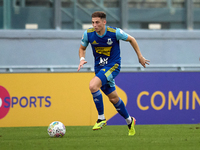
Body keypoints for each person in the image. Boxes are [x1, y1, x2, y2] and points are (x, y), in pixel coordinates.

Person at [77, 11, 150, 136]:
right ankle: (129, 120)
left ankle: (101, 118)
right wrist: (82, 59)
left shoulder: (114, 32)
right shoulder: (88, 34)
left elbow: (131, 39)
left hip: (113, 66)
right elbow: (82, 48)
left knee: (93, 86)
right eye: (93, 22)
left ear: (104, 22)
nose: (95, 25)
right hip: (100, 68)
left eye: (97, 22)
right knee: (113, 98)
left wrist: (140, 56)